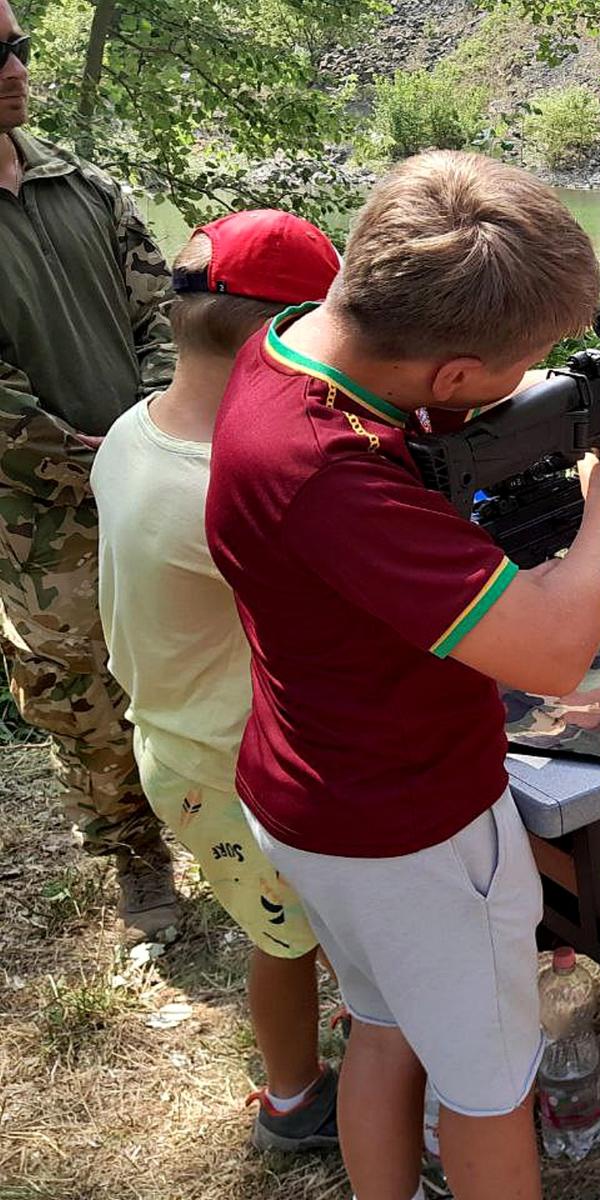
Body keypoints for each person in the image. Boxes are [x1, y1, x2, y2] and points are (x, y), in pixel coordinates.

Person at [205, 150, 600, 1200]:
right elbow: (552, 650)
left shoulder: (289, 354)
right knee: (489, 1087)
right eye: (532, 358)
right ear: (455, 378)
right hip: (410, 826)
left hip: (316, 790)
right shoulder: (331, 472)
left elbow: (453, 422)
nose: (539, 371)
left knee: (383, 1027)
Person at [92, 211, 343, 1152]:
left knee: (295, 925)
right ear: (286, 335)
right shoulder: (228, 487)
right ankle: (292, 1098)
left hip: (178, 735)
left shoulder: (133, 432)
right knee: (285, 938)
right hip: (225, 764)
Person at [0, 0, 180, 939]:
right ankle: (136, 857)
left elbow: (162, 311)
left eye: (18, 46)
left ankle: (236, 816)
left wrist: (150, 422)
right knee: (78, 690)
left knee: (197, 645)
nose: (15, 68)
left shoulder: (84, 185)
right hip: (36, 519)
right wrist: (88, 460)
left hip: (148, 476)